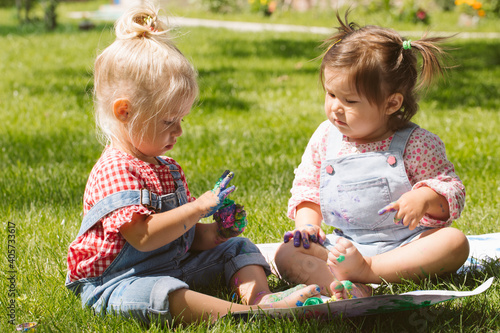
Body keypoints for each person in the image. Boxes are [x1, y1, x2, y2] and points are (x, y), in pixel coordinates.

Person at [65, 2, 320, 326]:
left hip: (170, 264)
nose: (179, 131)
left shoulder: (166, 168)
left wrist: (216, 232)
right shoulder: (115, 170)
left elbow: (181, 238)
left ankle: (261, 298)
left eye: (182, 119)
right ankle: (244, 314)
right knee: (162, 293)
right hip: (117, 282)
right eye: (169, 121)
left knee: (238, 247)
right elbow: (144, 237)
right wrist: (198, 207)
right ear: (124, 112)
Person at [274, 11, 469, 298]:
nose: (335, 108)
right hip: (344, 247)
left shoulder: (415, 143)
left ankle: (370, 271)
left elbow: (452, 193)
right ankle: (344, 287)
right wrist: (307, 227)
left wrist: (425, 198)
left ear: (392, 103)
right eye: (331, 95)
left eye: (349, 100)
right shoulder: (326, 138)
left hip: (406, 246)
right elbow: (308, 189)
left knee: (454, 242)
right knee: (286, 253)